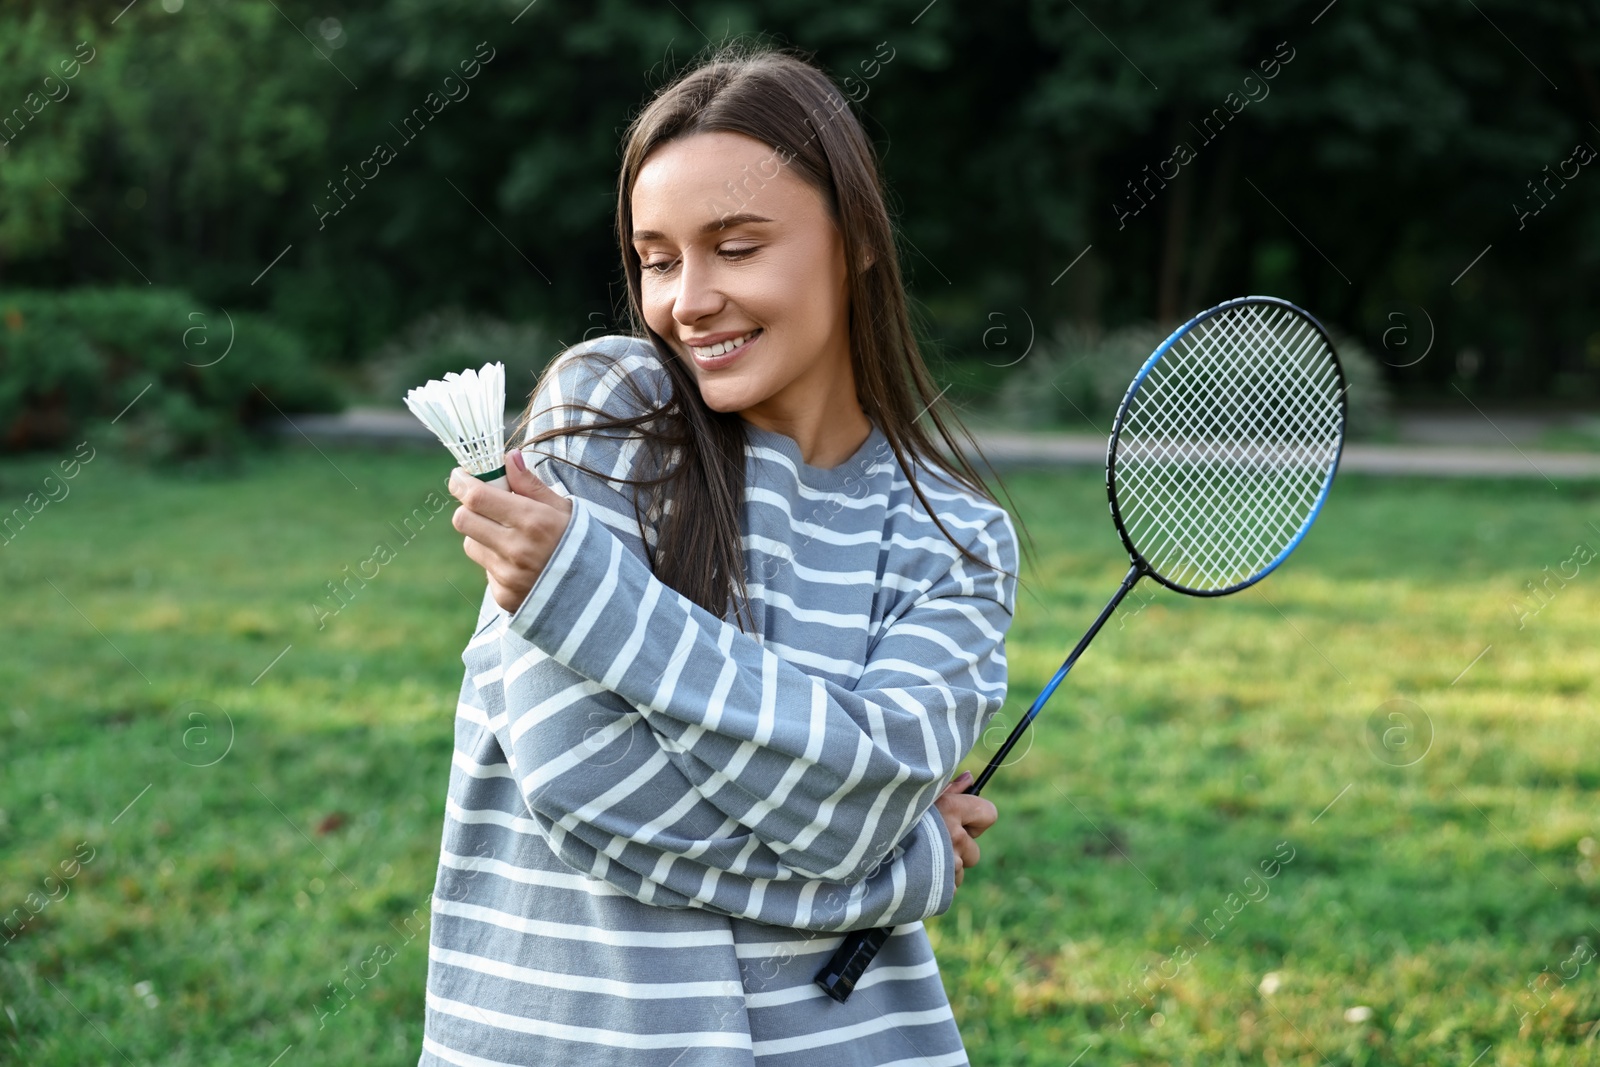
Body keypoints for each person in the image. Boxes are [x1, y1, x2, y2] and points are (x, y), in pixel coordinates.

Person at [421, 41, 1024, 1067]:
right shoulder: (607, 410)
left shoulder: (955, 535)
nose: (685, 301)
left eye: (736, 247)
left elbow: (872, 780)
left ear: (855, 242)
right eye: (657, 258)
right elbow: (580, 777)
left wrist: (588, 595)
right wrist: (898, 866)